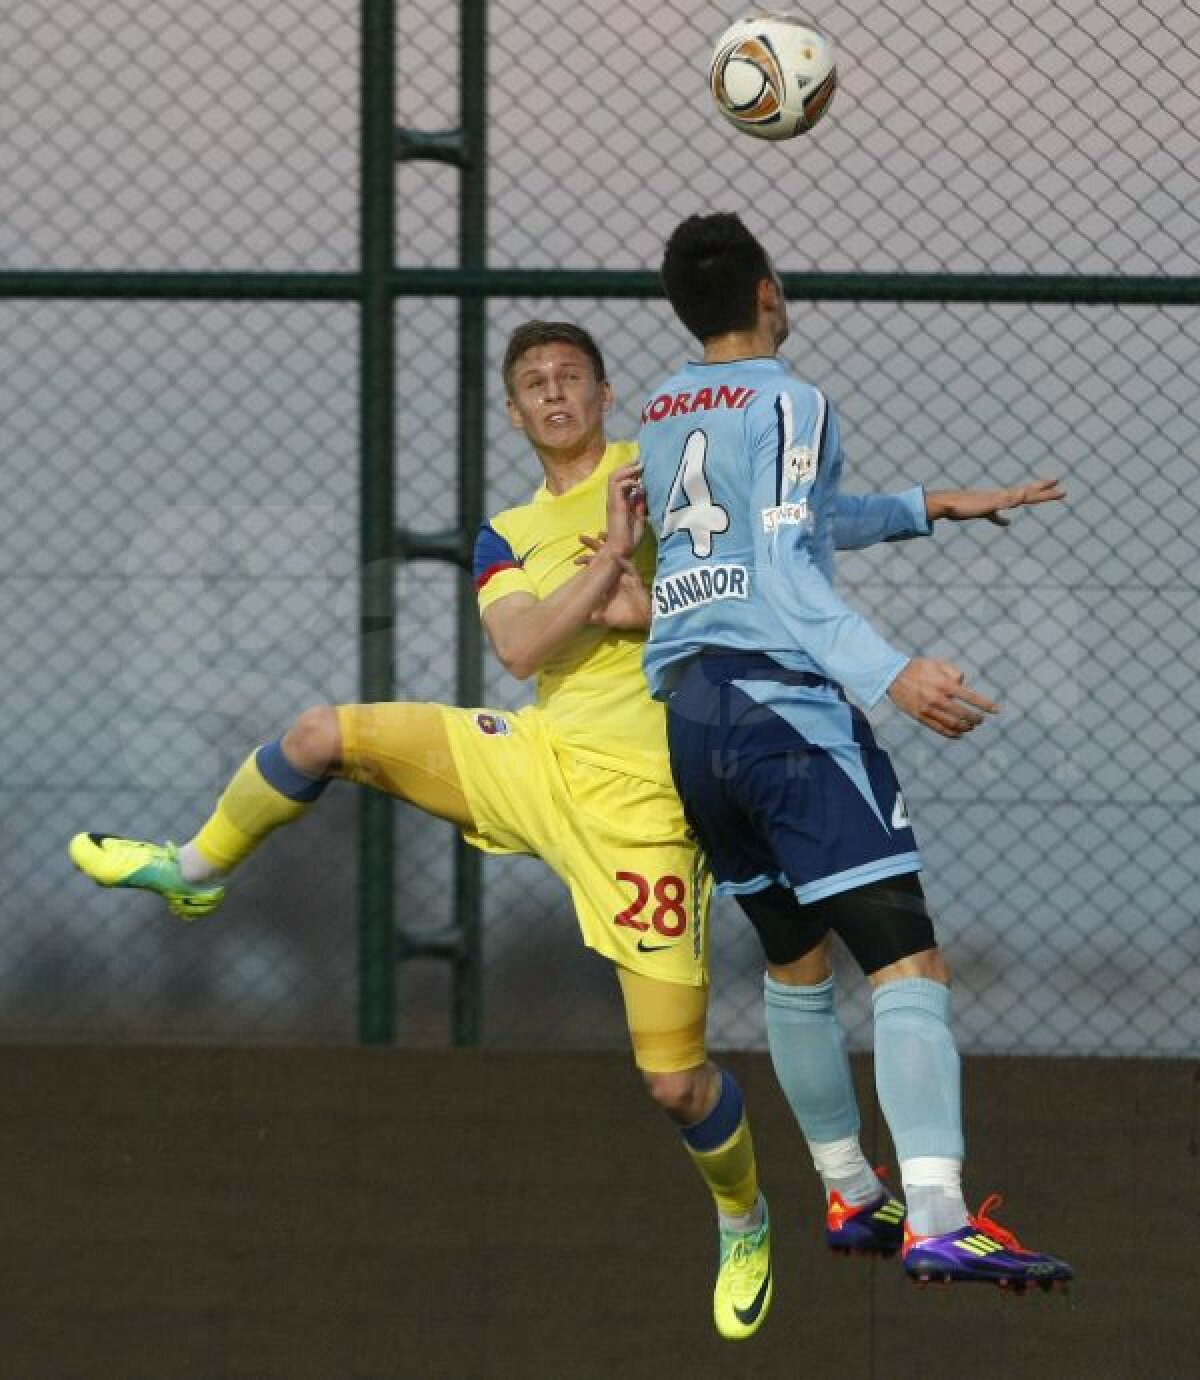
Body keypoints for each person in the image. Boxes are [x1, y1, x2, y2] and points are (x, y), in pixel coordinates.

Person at [70, 318, 1064, 1328]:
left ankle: (742, 1217)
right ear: (513, 410)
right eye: (534, 382)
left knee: (674, 1083)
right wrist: (609, 579)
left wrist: (925, 507)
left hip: (649, 811)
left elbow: (787, 532)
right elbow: (518, 643)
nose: (554, 393)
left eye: (571, 377)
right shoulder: (505, 532)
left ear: (602, 393)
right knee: (323, 733)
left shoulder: (659, 462)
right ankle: (196, 866)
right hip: (537, 758)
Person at [630, 212, 1073, 1290]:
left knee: (796, 964)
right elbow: (783, 569)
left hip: (695, 718)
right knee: (908, 962)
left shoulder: (661, 410)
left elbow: (778, 524)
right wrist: (892, 671)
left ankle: (848, 1188)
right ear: (770, 290)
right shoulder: (791, 398)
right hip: (785, 716)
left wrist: (927, 508)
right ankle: (936, 1213)